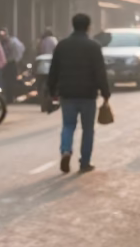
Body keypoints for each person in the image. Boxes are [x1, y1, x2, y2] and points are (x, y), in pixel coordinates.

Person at [47, 13, 110, 174]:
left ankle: (66, 150)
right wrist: (105, 92)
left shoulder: (62, 45)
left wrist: (51, 90)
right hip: (88, 94)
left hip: (67, 93)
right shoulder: (94, 46)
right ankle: (85, 162)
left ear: (73, 25)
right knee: (88, 129)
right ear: (88, 27)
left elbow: (53, 70)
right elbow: (100, 72)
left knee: (68, 125)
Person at [0, 27, 25, 96]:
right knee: (5, 81)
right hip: (4, 64)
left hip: (11, 63)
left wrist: (16, 59)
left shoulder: (13, 42)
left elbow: (20, 49)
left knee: (11, 81)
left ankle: (11, 96)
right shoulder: (0, 43)